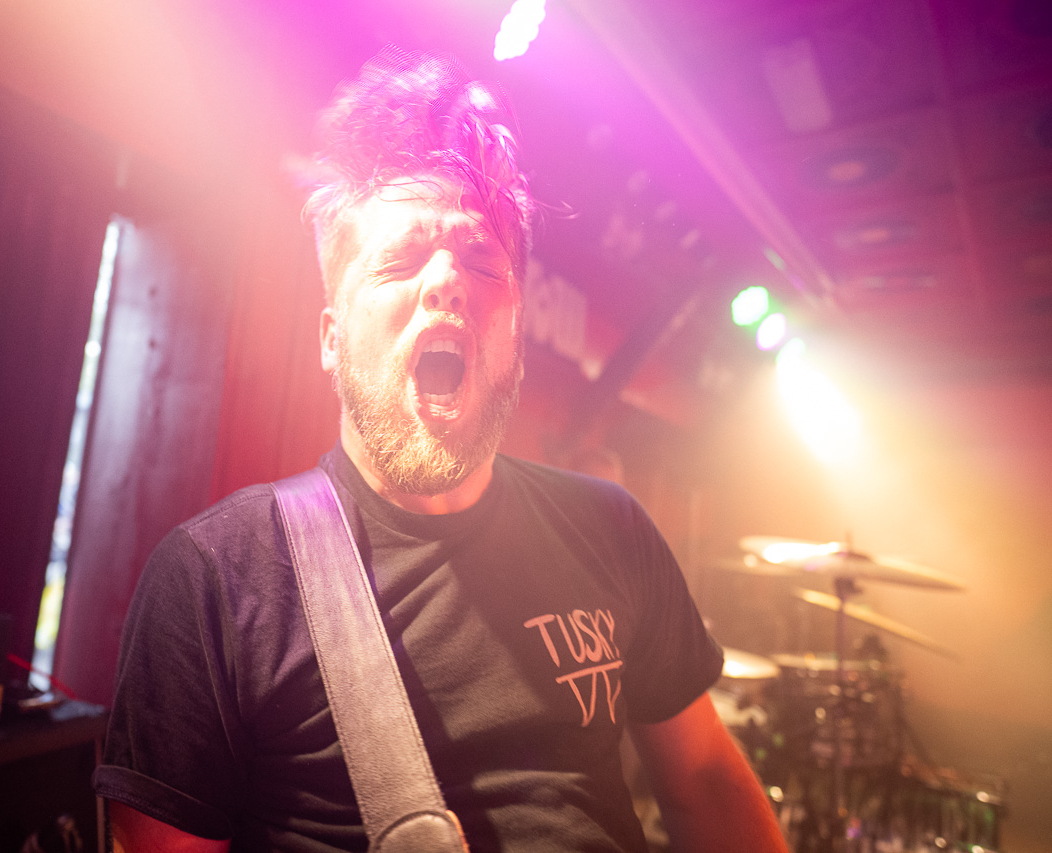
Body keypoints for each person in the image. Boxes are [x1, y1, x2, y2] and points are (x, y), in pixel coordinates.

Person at [93, 49, 787, 853]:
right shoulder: (215, 579)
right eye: (399, 259)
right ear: (331, 338)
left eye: (483, 261)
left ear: (516, 335)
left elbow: (705, 778)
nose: (447, 281)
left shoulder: (612, 528)